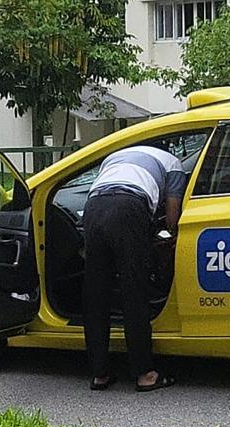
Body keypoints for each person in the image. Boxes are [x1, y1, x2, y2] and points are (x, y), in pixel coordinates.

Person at [82, 145, 182, 392]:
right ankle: (145, 373)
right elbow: (172, 214)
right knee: (133, 290)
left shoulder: (115, 155)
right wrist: (168, 239)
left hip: (93, 207)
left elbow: (102, 189)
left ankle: (99, 374)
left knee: (95, 292)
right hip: (130, 206)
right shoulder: (173, 163)